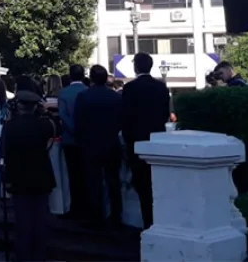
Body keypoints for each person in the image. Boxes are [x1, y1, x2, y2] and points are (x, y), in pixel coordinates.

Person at [0, 77, 59, 262]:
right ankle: (39, 255)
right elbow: (57, 129)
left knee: (22, 223)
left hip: (18, 179)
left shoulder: (10, 127)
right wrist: (46, 113)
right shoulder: (44, 124)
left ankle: (24, 257)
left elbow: (5, 153)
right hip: (41, 178)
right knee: (40, 221)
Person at [121, 52, 170, 229]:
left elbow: (124, 117)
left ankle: (146, 222)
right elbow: (165, 114)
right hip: (157, 140)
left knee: (141, 184)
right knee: (158, 184)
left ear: (136, 67)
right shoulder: (161, 87)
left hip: (136, 142)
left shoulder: (129, 89)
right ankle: (160, 220)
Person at [74, 65, 124, 228]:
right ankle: (116, 214)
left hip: (90, 143)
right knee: (113, 181)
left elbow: (78, 122)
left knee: (93, 182)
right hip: (111, 142)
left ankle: (96, 215)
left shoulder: (83, 97)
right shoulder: (115, 97)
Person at [57, 64, 88, 220]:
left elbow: (62, 114)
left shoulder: (64, 92)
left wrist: (72, 129)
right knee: (88, 175)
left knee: (73, 175)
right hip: (87, 139)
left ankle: (75, 207)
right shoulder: (88, 91)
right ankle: (88, 207)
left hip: (70, 139)